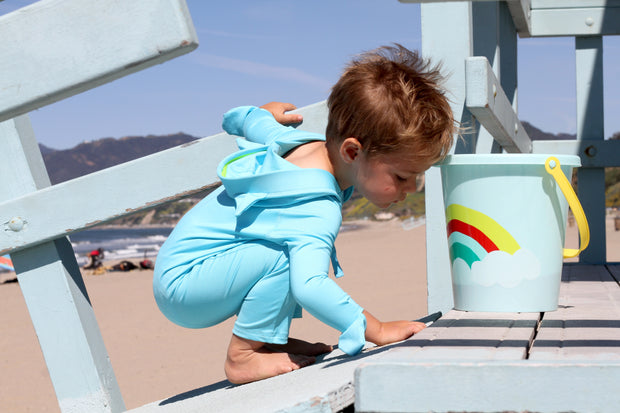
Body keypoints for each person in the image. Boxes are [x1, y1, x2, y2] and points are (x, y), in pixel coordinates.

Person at [153, 44, 455, 384]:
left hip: (182, 269)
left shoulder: (299, 143)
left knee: (288, 248)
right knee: (289, 254)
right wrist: (377, 329)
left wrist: (260, 114)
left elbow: (250, 122)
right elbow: (310, 285)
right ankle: (243, 355)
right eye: (402, 176)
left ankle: (267, 340)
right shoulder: (316, 206)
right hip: (187, 286)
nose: (412, 188)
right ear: (352, 151)